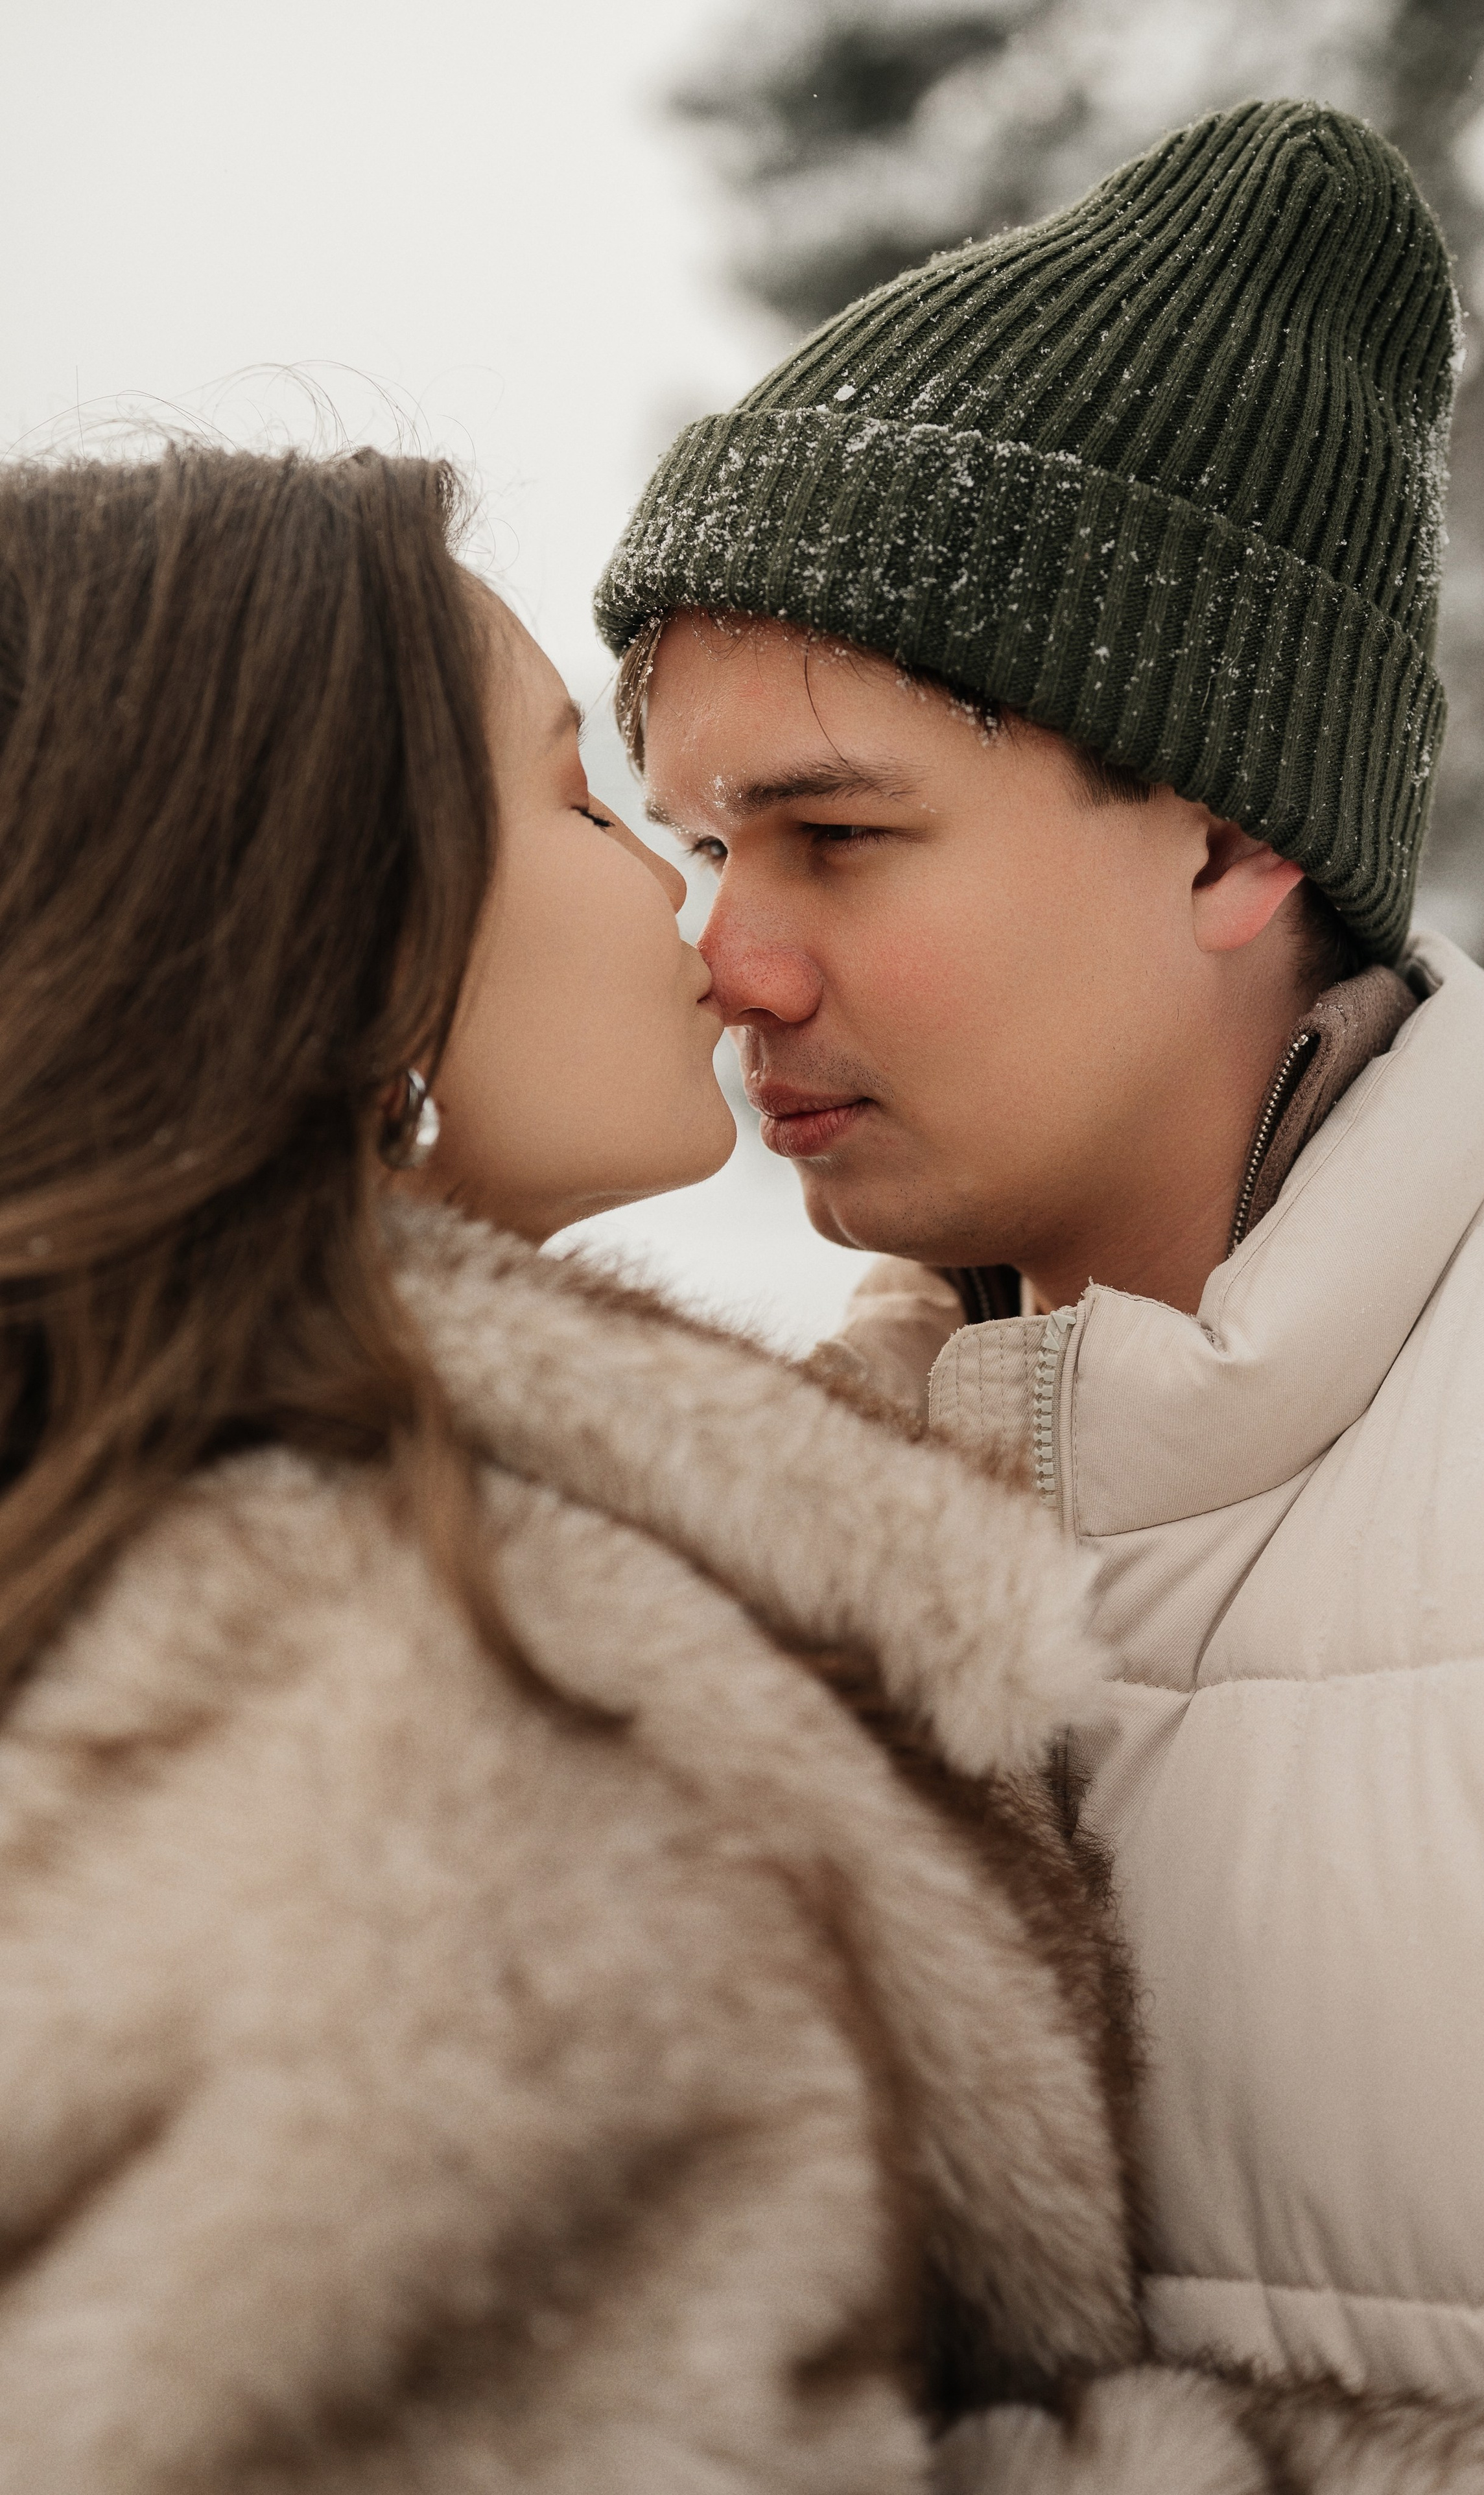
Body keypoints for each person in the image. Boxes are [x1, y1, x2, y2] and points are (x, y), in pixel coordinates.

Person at [597, 97, 1484, 2487]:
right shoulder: (762, 1545)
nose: (726, 959)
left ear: (1231, 828)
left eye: (838, 835)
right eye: (695, 843)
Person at [0, 441, 1157, 2493]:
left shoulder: (232, 1562)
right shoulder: (404, 1746)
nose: (700, 924)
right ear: (327, 922)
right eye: (579, 801)